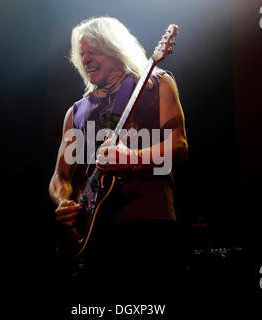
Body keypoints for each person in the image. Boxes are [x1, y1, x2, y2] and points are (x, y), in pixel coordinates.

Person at [49, 17, 188, 293]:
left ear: (115, 49)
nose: (85, 59)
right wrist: (63, 200)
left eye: (93, 51)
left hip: (149, 223)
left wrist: (133, 157)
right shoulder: (75, 112)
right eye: (82, 53)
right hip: (94, 234)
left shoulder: (158, 84)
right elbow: (60, 175)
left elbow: (179, 145)